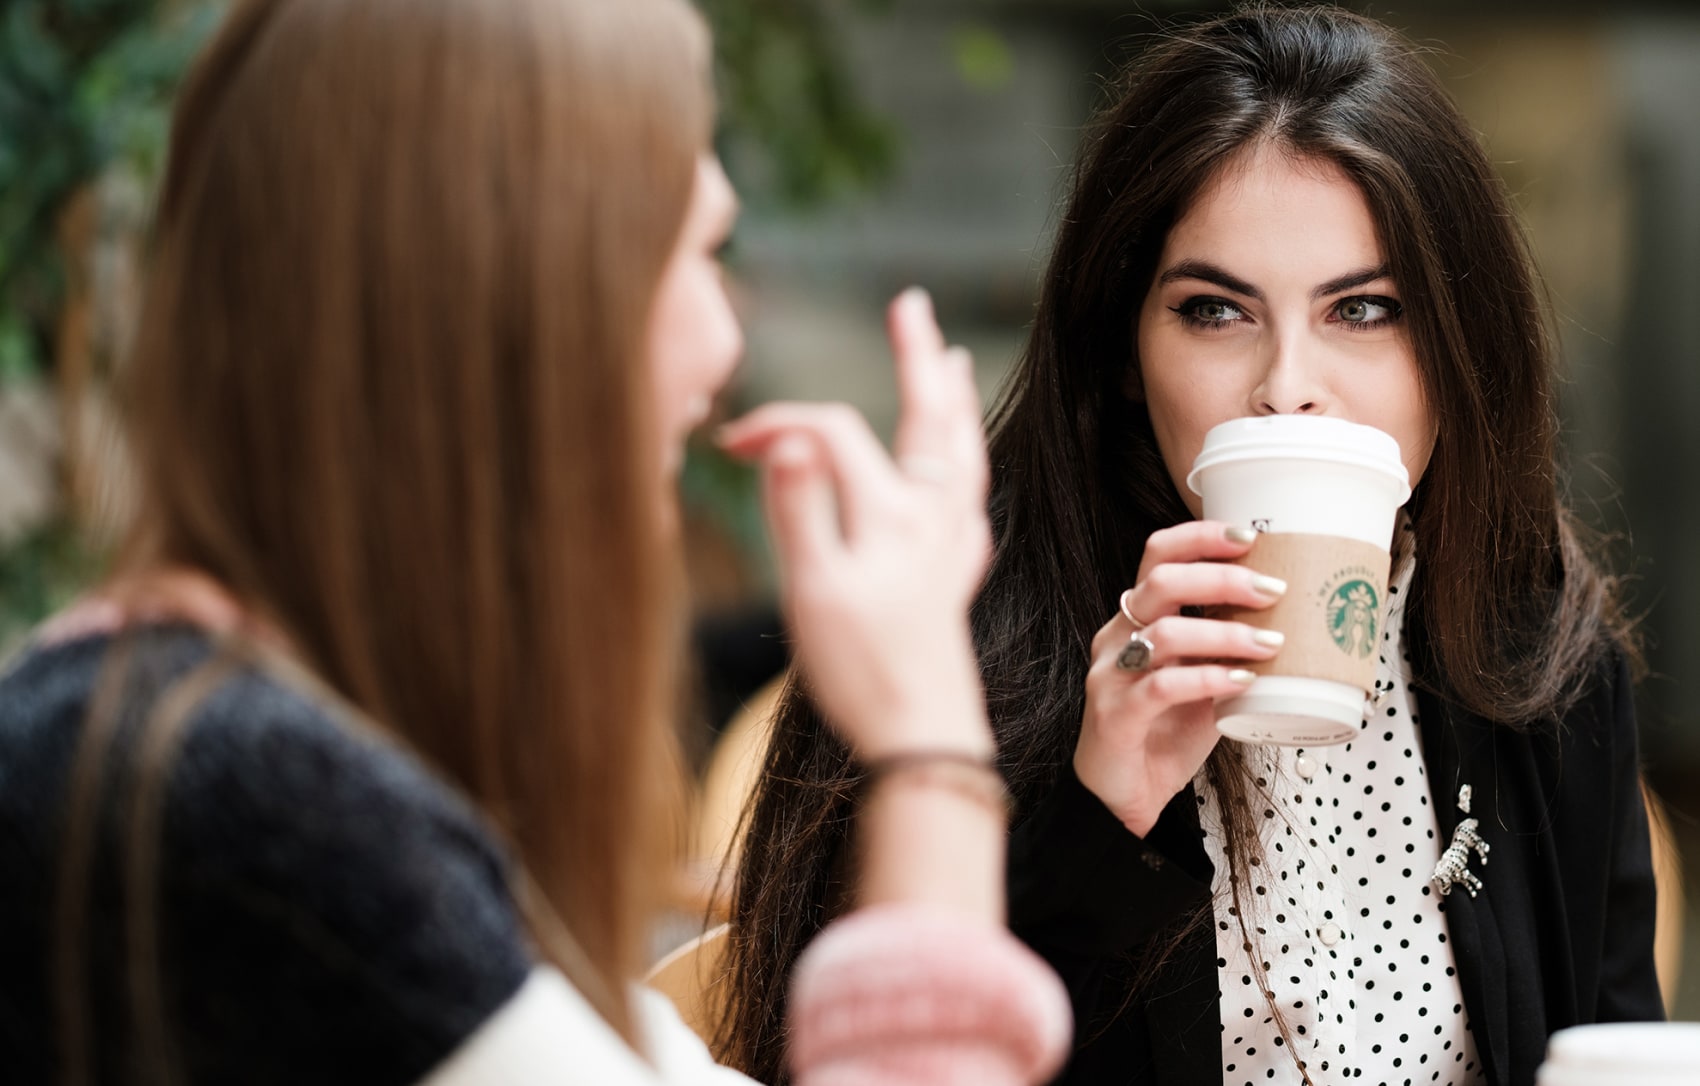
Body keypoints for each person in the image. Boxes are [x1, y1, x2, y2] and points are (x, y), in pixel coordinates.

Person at [0, 0, 1072, 1082]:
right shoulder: (248, 807)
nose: (723, 339)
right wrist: (928, 741)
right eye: (693, 251)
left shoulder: (194, 736)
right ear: (512, 293)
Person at [721, 6, 1662, 1086]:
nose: (1285, 388)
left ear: (1457, 348)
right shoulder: (948, 662)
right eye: (1214, 311)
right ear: (1125, 351)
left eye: (1363, 310)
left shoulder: (1533, 643)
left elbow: (1612, 1048)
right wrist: (1098, 814)